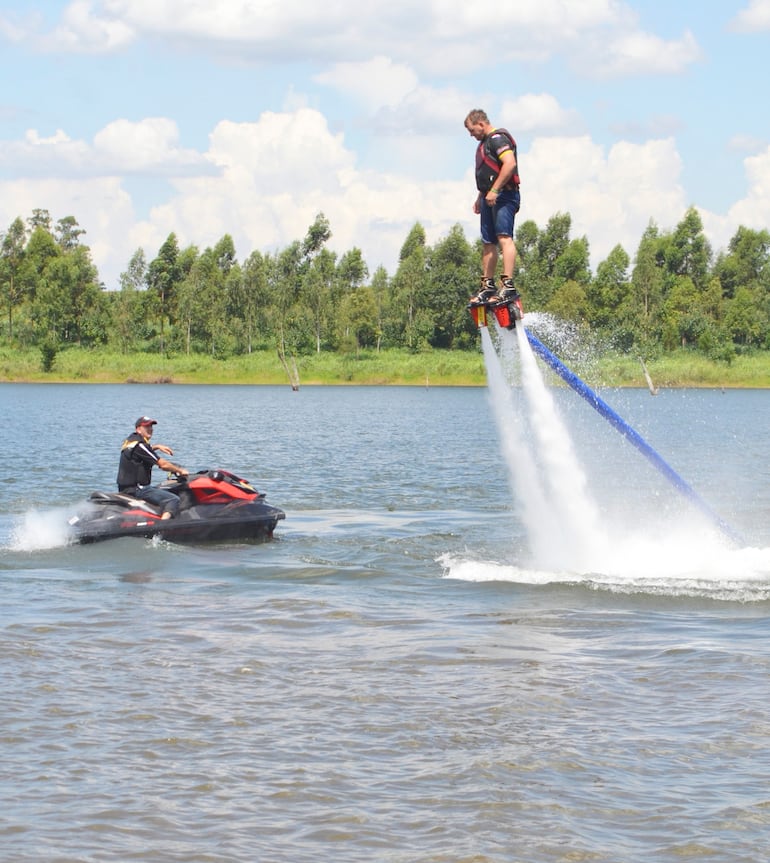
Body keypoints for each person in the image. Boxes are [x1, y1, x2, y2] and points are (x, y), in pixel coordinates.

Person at [464, 108, 523, 310]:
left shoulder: (498, 139)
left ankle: (507, 284)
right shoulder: (484, 144)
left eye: (472, 130)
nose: (471, 135)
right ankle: (487, 286)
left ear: (481, 123)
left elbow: (509, 164)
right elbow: (490, 172)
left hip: (505, 195)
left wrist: (495, 190)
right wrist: (481, 196)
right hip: (489, 198)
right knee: (488, 243)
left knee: (504, 237)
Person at [116, 416, 189, 519]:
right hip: (138, 489)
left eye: (151, 426)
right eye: (146, 426)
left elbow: (141, 453)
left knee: (165, 489)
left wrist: (157, 446)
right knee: (173, 499)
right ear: (138, 429)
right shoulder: (140, 446)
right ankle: (163, 527)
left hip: (127, 488)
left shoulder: (131, 442)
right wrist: (180, 470)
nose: (150, 429)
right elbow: (163, 464)